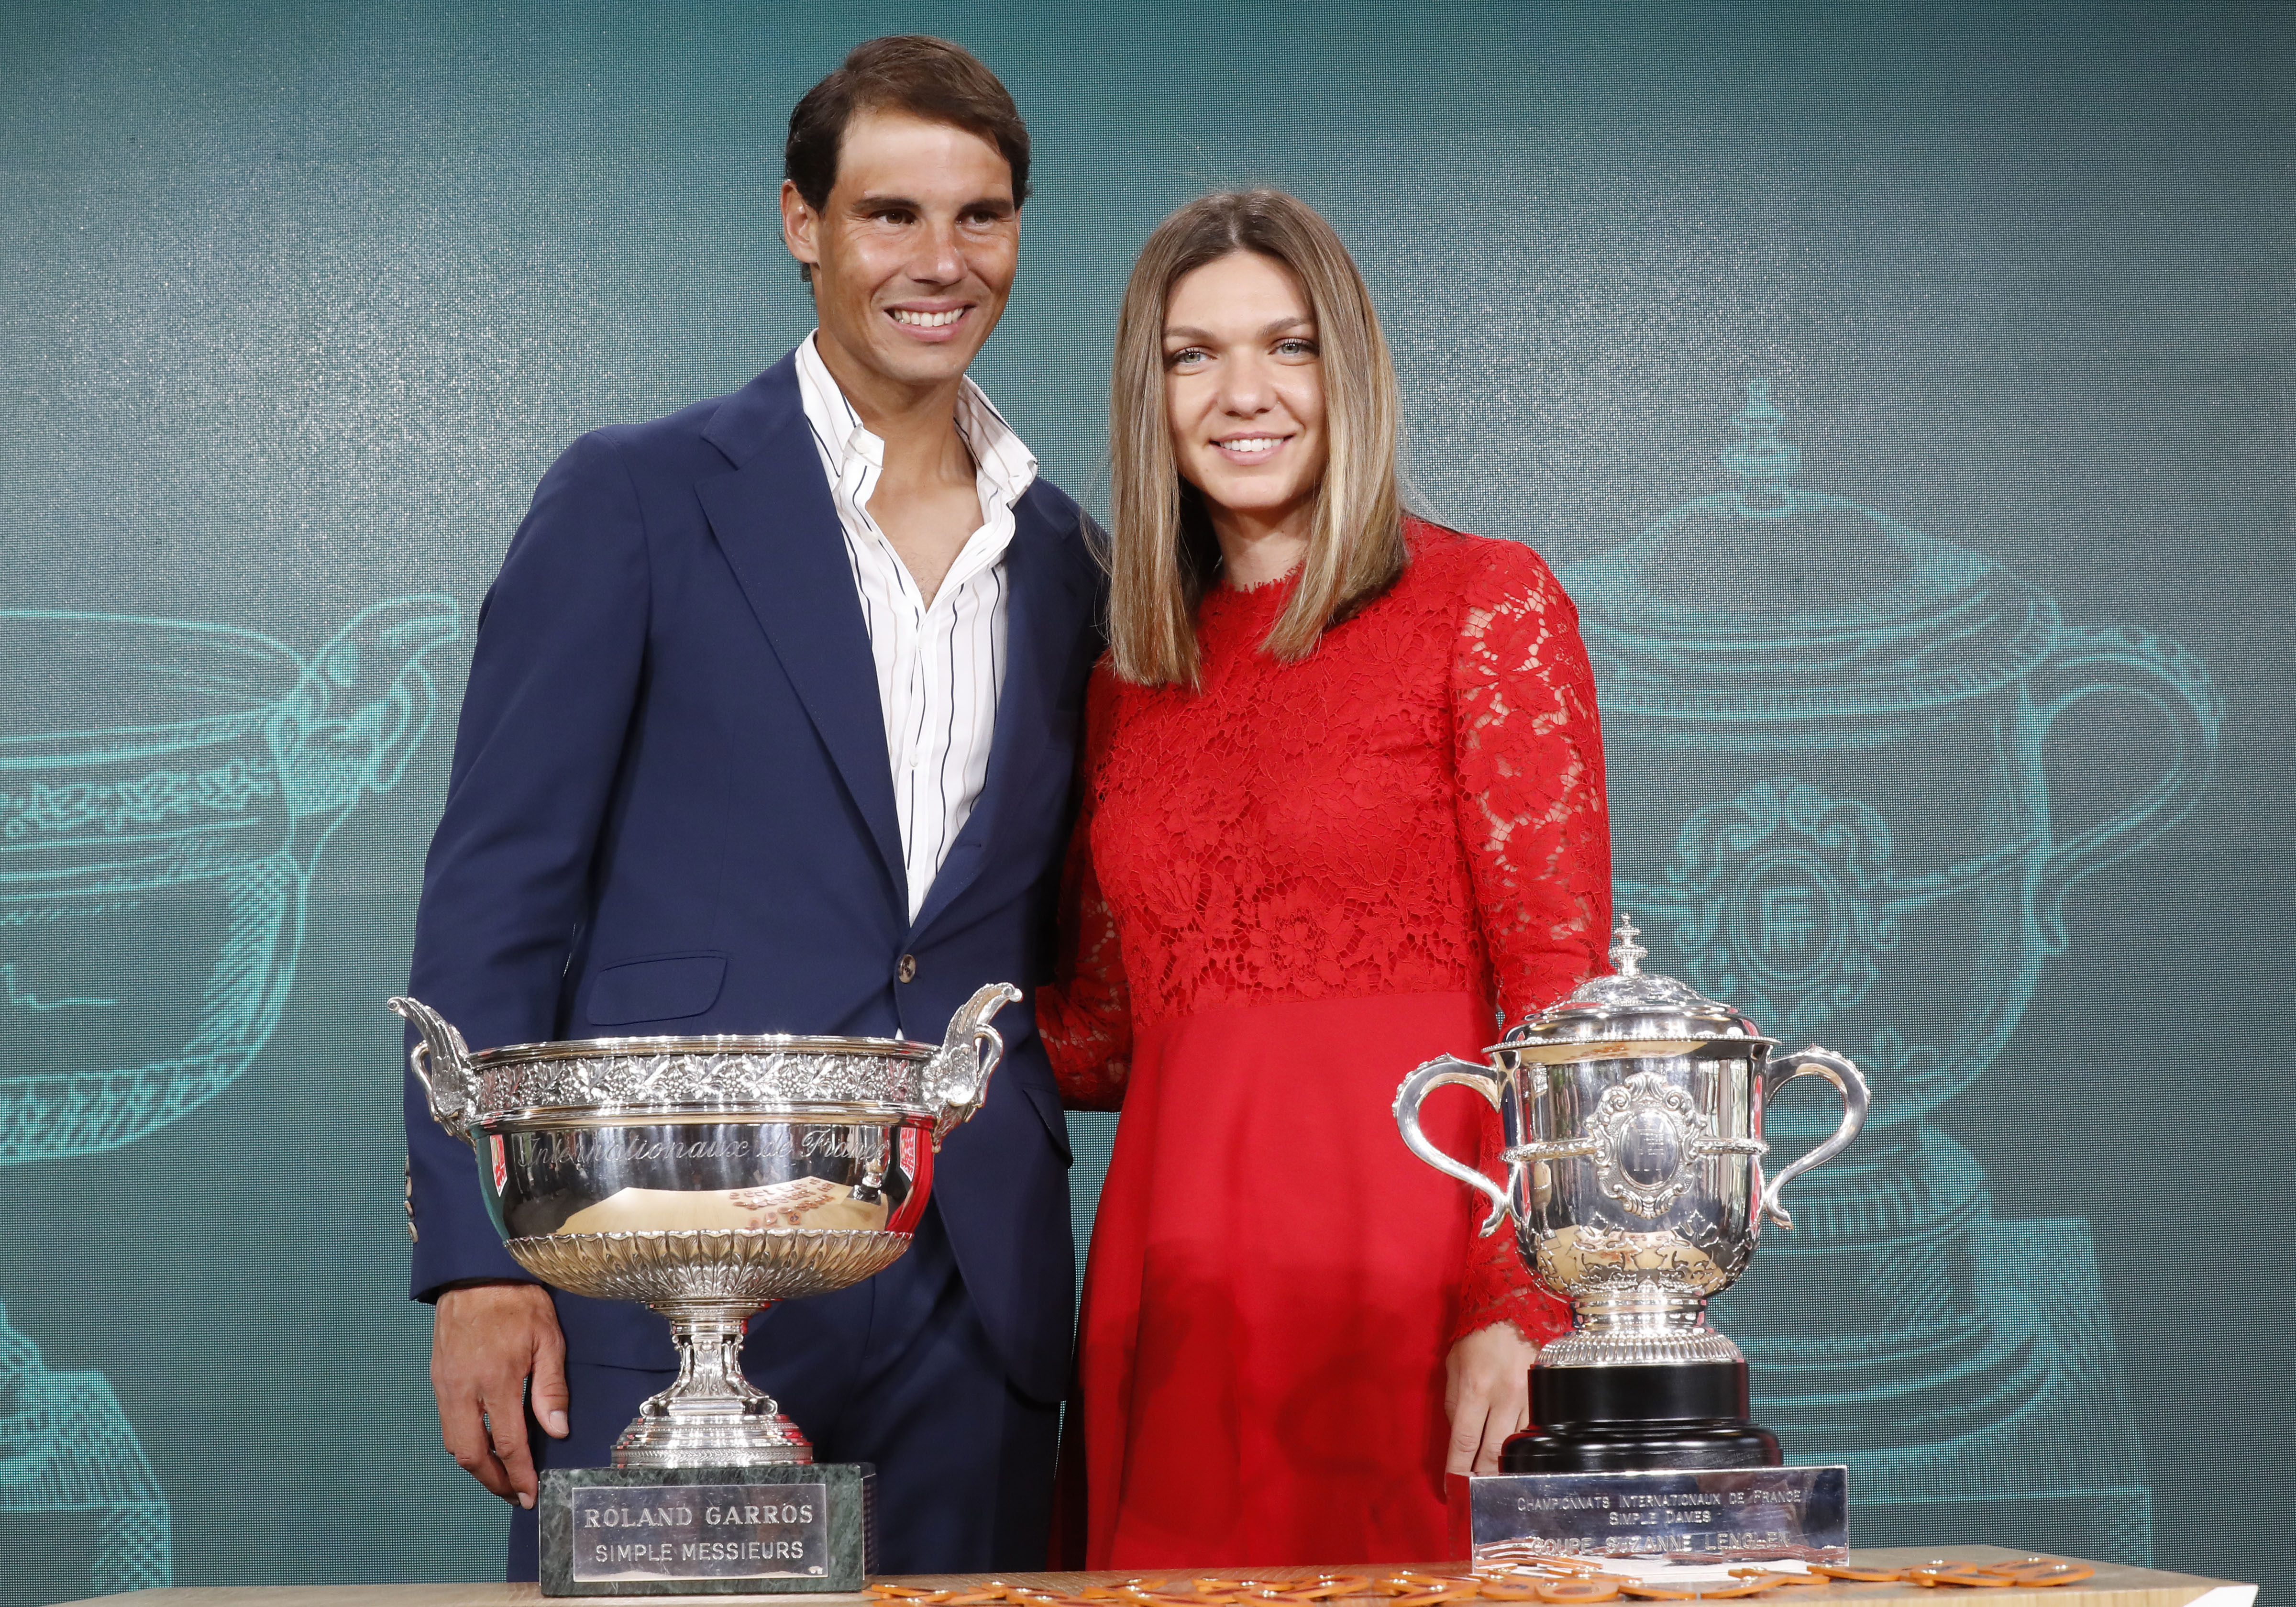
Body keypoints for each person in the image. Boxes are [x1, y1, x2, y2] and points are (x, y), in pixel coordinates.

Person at [401, 36, 1101, 1579]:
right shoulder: (637, 497)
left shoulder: (1070, 560)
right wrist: (475, 1260)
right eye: (889, 215)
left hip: (968, 1287)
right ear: (802, 224)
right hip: (654, 1263)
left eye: (980, 217)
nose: (939, 261)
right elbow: (495, 893)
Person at [1038, 191, 1612, 1567]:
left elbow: (1559, 999)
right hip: (1171, 1296)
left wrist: (1522, 1306)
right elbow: (1107, 1036)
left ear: (1345, 369)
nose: (1244, 394)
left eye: (1287, 347)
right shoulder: (1126, 679)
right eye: (1193, 356)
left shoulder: (1487, 604)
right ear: (1148, 393)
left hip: (1411, 1281)